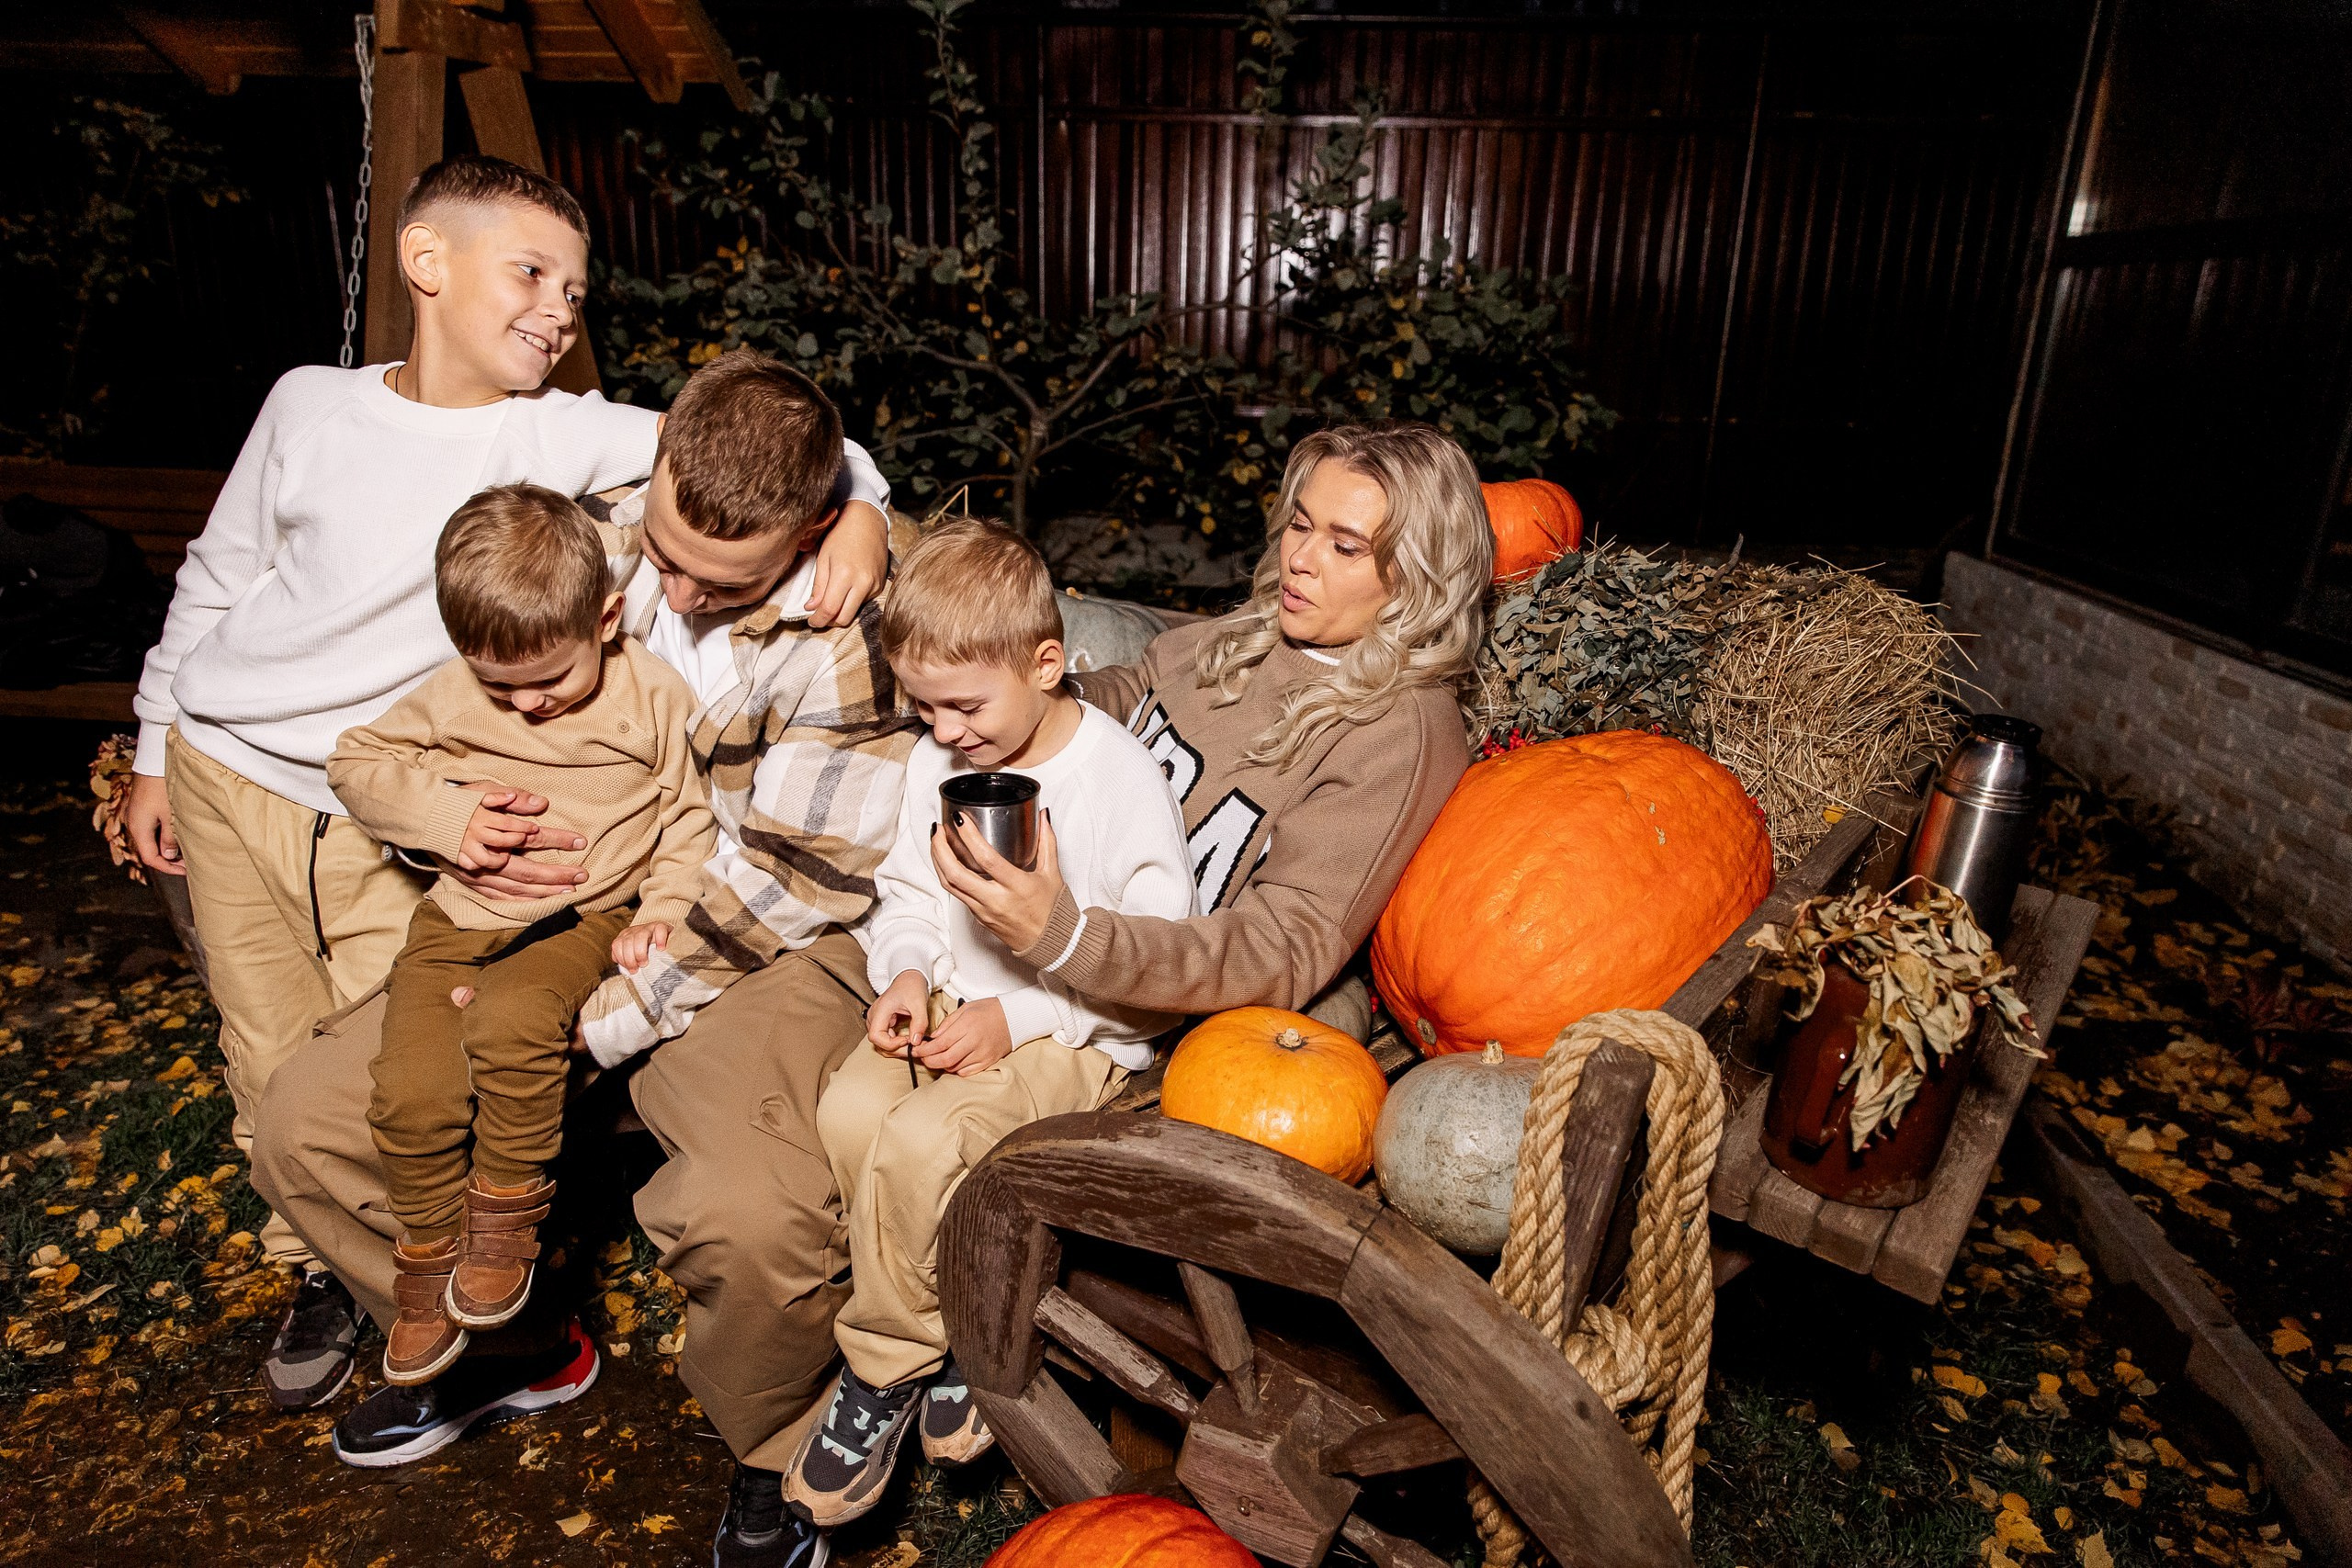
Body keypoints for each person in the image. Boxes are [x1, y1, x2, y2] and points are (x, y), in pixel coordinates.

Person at [122, 155, 891, 1416]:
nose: (664, 592)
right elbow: (235, 580)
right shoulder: (385, 436)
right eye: (531, 271)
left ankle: (639, 1382)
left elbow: (789, 453)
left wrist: (867, 511)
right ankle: (410, 1303)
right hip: (316, 791)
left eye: (574, 289)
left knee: (508, 1102)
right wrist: (161, 737)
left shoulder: (593, 458)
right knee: (286, 1086)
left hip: (559, 875)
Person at [253, 351, 921, 1565]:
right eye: (664, 551)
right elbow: (445, 705)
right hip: (557, 906)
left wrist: (613, 1015)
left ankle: (774, 1442)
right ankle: (507, 1347)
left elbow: (795, 880)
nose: (674, 589)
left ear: (812, 534)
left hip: (757, 938)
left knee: (756, 1218)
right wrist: (451, 822)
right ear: (652, 464)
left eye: (721, 579)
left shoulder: (847, 634)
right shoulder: (592, 535)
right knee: (307, 1120)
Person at [786, 519, 1193, 1528]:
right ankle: (956, 1314)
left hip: (1075, 1029)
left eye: (965, 706)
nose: (945, 730)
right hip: (957, 1003)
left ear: (1046, 664)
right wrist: (906, 972)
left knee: (926, 1141)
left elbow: (1156, 955)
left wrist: (1018, 1014)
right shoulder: (940, 759)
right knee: (849, 1112)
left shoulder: (1116, 778)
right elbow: (908, 895)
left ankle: (887, 1365)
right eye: (923, 707)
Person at [325, 485, 718, 1387]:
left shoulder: (654, 697)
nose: (527, 703)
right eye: (500, 685)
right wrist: (444, 815)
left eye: (549, 680)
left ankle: (504, 1228)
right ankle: (430, 1265)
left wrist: (662, 908)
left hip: (586, 912)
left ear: (606, 620)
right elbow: (355, 761)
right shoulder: (455, 691)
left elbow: (689, 816)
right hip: (457, 915)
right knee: (408, 1087)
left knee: (512, 1021)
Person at [930, 420, 1491, 1038]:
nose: (1299, 560)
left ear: (1417, 574)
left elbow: (1283, 944)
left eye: (1345, 547)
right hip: (1027, 921)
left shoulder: (1400, 730)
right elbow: (1136, 687)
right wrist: (1021, 700)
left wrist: (1069, 938)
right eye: (1300, 524)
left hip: (1127, 1010)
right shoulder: (1260, 627)